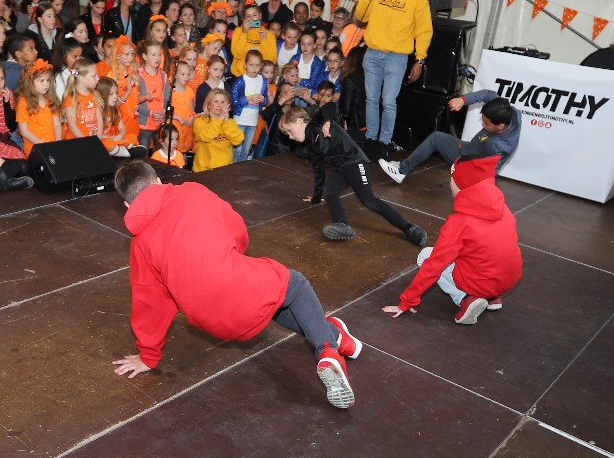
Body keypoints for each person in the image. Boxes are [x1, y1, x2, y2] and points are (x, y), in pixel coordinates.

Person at [110, 160, 361, 409]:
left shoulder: (139, 245)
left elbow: (150, 304)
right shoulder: (192, 191)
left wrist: (148, 357)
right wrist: (227, 259)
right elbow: (238, 230)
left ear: (127, 205)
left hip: (209, 320)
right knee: (294, 283)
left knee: (273, 299)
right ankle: (328, 349)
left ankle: (340, 338)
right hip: (236, 288)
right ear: (158, 181)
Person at [384, 151, 522, 323]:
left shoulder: (460, 222)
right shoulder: (502, 208)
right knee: (482, 252)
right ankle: (493, 298)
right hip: (509, 279)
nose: (449, 182)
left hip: (482, 282)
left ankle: (465, 299)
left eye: (452, 178)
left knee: (425, 256)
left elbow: (434, 265)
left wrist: (407, 301)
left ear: (463, 184)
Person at [277, 107, 426, 246]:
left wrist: (327, 121)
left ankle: (409, 228)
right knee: (329, 190)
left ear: (299, 121)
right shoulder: (310, 144)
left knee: (369, 201)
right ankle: (342, 225)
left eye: (289, 131)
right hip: (343, 167)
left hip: (356, 162)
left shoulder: (317, 123)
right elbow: (318, 170)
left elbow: (329, 106)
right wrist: (316, 198)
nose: (290, 136)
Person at [352, 0, 432, 157]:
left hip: (396, 57)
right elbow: (361, 17)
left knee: (388, 102)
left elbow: (424, 29)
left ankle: (384, 142)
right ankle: (371, 138)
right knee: (371, 99)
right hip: (372, 52)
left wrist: (420, 60)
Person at [378, 94, 521, 183]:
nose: (483, 125)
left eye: (487, 124)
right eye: (483, 120)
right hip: (473, 148)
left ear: (500, 126)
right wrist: (463, 100)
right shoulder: (512, 112)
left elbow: (487, 170)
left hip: (471, 163)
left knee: (436, 139)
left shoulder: (496, 145)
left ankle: (401, 171)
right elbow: (488, 94)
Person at [192, 88, 244, 172]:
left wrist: (225, 122)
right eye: (215, 101)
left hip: (225, 169)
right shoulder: (200, 120)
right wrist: (219, 120)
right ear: (208, 104)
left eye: (222, 102)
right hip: (203, 170)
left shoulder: (229, 122)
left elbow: (238, 140)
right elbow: (205, 136)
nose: (219, 105)